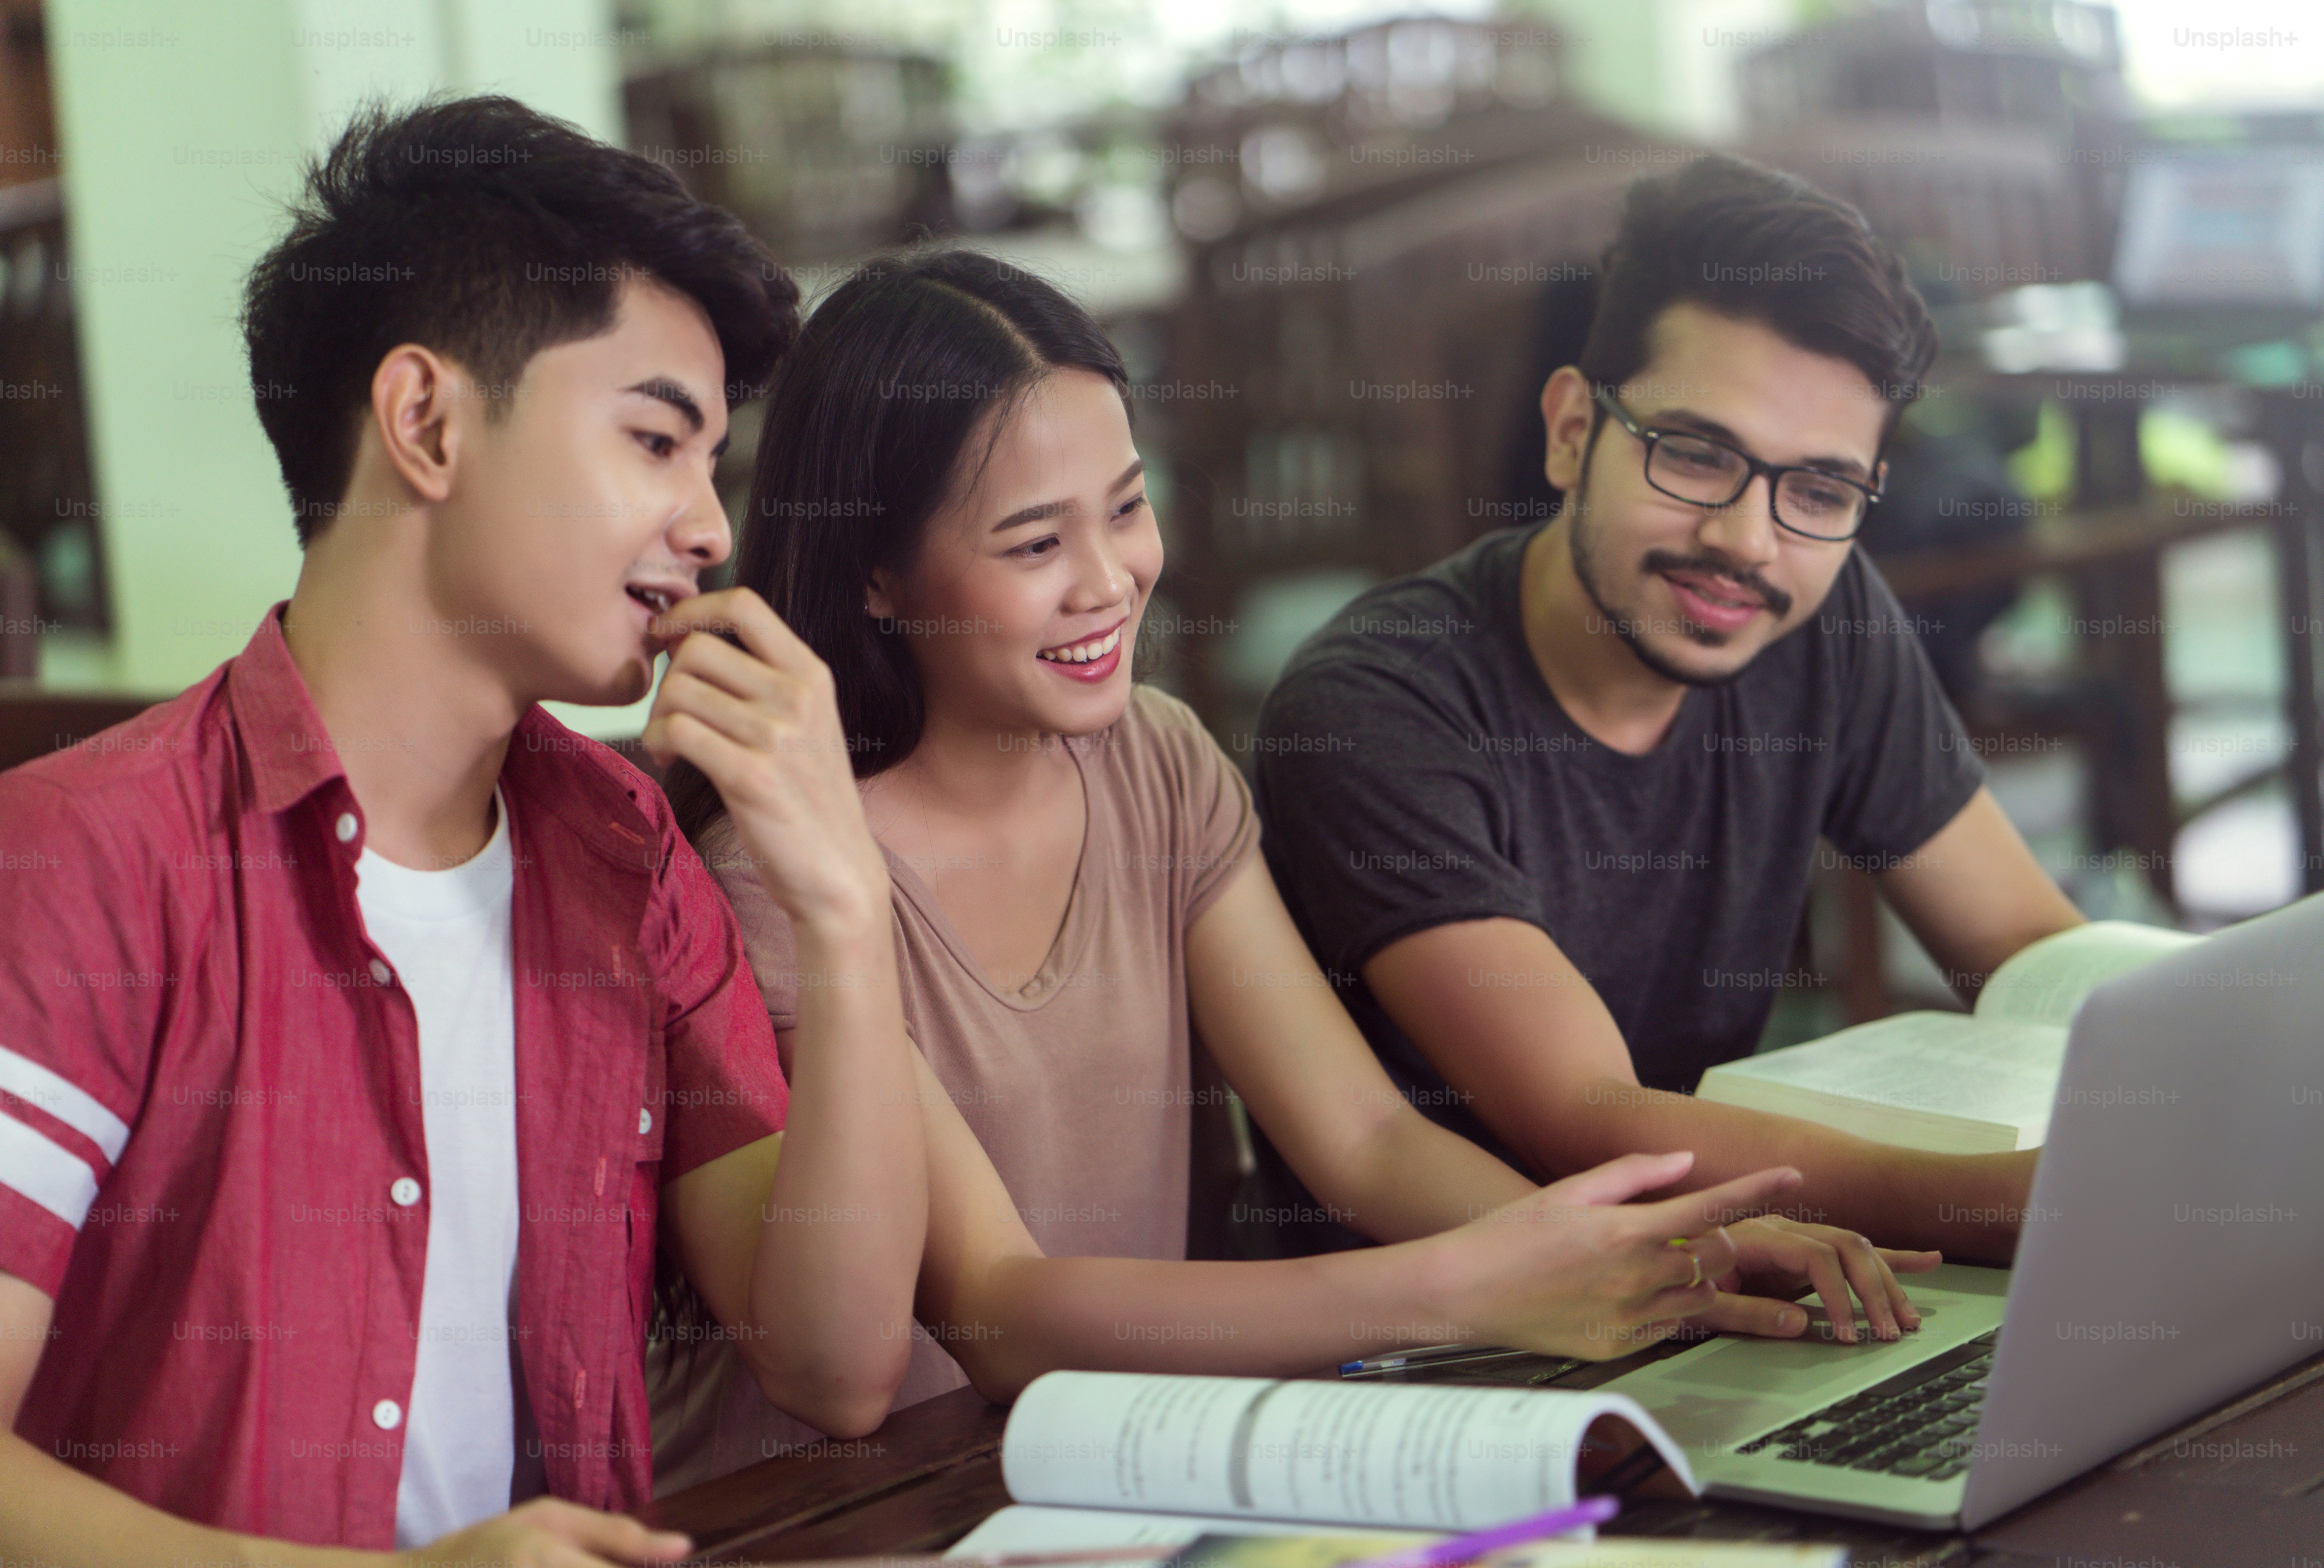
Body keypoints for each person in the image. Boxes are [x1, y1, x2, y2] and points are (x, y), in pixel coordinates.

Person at [647, 249, 1940, 1490]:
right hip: (867, 1505)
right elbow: (999, 1311)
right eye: (1034, 546)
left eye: (1127, 507)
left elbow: (1364, 1137)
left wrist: (1651, 1265)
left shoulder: (1155, 763)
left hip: (1116, 1468)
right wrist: (1465, 1288)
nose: (1109, 583)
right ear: (878, 574)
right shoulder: (783, 871)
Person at [0, 96, 934, 1565]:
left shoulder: (624, 854)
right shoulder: (83, 860)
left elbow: (834, 1366)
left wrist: (847, 910)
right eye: (654, 441)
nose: (709, 530)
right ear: (426, 422)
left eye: (712, 469)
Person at [1250, 153, 2085, 1262]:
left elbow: (2025, 948)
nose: (1748, 540)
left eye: (1822, 491)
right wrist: (2009, 1204)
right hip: (1441, 1349)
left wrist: (2214, 1065)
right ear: (1568, 433)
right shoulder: (1377, 705)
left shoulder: (1818, 620)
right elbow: (1584, 1118)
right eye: (1694, 456)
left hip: (1720, 1275)